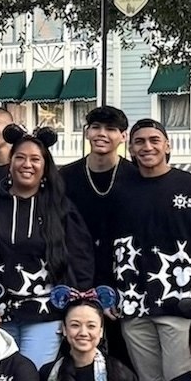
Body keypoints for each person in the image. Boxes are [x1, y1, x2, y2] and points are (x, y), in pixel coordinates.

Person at [109, 119, 191, 381]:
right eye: (139, 141)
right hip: (133, 307)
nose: (147, 146)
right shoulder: (119, 191)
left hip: (180, 305)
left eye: (154, 140)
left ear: (168, 145)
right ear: (131, 148)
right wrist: (107, 295)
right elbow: (106, 247)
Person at [0, 125, 95, 367]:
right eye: (20, 158)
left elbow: (81, 260)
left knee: (32, 380)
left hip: (44, 315)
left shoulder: (61, 209)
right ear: (10, 164)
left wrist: (78, 306)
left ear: (44, 169)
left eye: (35, 159)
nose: (27, 164)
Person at [58, 105, 130, 291]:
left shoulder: (135, 177)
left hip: (123, 271)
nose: (102, 134)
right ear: (86, 132)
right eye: (96, 127)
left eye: (111, 129)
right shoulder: (65, 177)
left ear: (123, 136)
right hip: (75, 273)